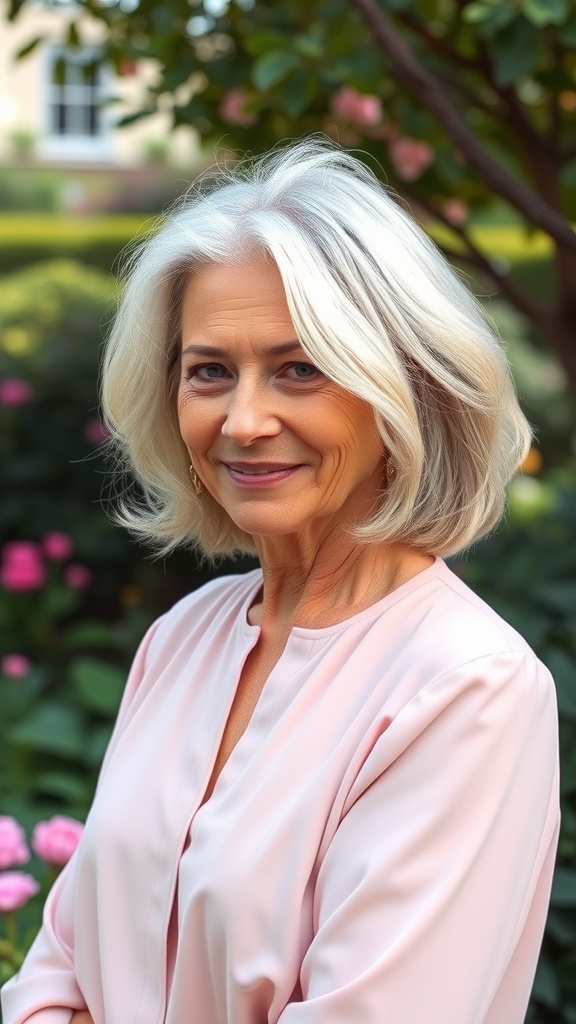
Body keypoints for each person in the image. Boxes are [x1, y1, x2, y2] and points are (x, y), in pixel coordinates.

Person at [1, 137, 559, 1024]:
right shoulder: (185, 637)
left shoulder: (467, 688)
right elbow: (60, 963)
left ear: (403, 389)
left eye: (300, 369)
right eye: (210, 372)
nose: (244, 420)